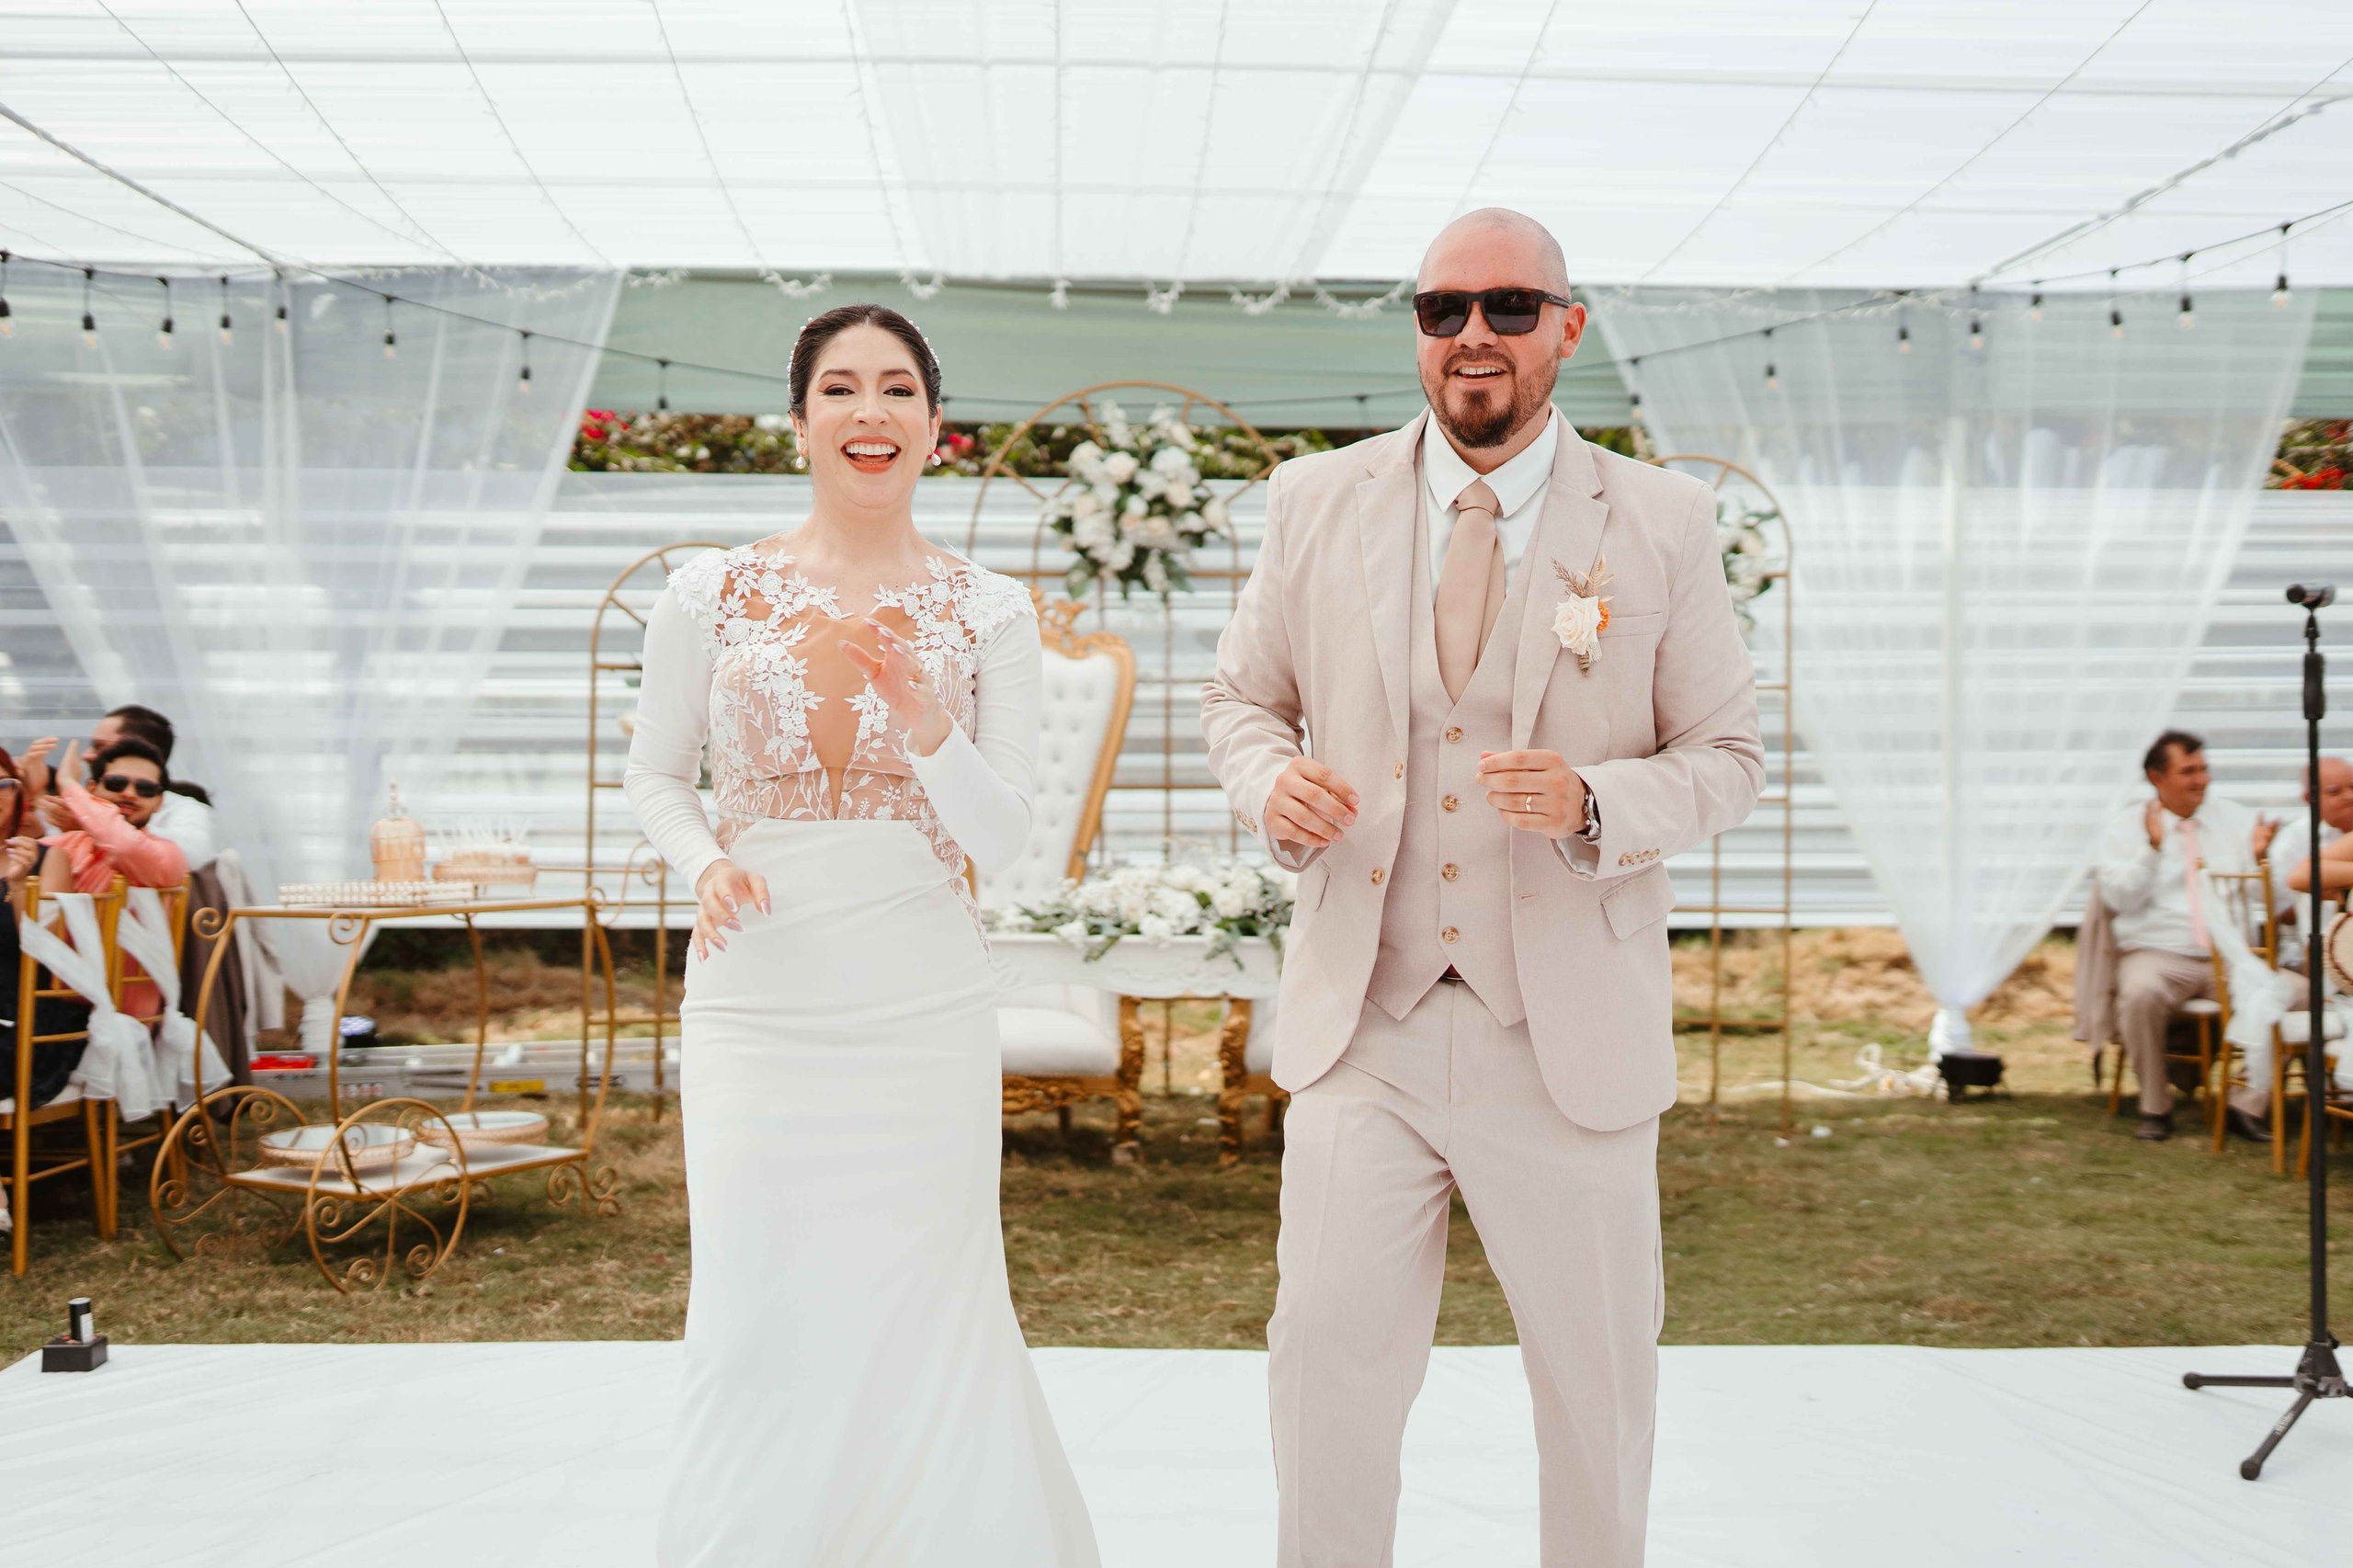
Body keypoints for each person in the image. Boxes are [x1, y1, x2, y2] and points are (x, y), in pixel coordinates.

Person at [1201, 209, 1764, 1567]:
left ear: (1568, 328)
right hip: (1365, 1019)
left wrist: (1593, 802)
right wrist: (1268, 782)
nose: (1473, 334)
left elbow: (1728, 757)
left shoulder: (1665, 518)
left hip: (1562, 1025)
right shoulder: (1312, 500)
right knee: (1324, 1366)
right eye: (1442, 306)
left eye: (1511, 307)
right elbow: (1240, 702)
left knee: (1593, 1385)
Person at [623, 304, 1096, 1566]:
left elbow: (1004, 840)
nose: (870, 411)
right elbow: (656, 776)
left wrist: (927, 722)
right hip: (756, 993)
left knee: (924, 1293)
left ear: (936, 429)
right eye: (841, 388)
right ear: (801, 421)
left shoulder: (989, 609)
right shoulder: (706, 592)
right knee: (754, 1296)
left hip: (919, 998)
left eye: (898, 390)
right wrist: (707, 860)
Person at [2095, 731, 2271, 1142]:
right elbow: (2117, 897)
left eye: (2204, 770)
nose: (2202, 780)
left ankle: (2244, 1104)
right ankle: (2155, 1107)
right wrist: (2152, 849)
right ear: (2158, 778)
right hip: (2158, 953)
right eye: (2188, 771)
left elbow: (2265, 895)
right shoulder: (2126, 826)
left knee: (2292, 993)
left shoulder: (2237, 819)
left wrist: (2261, 858)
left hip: (2226, 955)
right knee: (2138, 994)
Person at [34, 738, 188, 1021]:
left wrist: (68, 784)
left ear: (159, 802)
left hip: (123, 1025)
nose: (129, 794)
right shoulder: (57, 847)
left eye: (145, 789)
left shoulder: (167, 855)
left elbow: (125, 846)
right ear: (93, 789)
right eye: (116, 783)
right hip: (43, 1010)